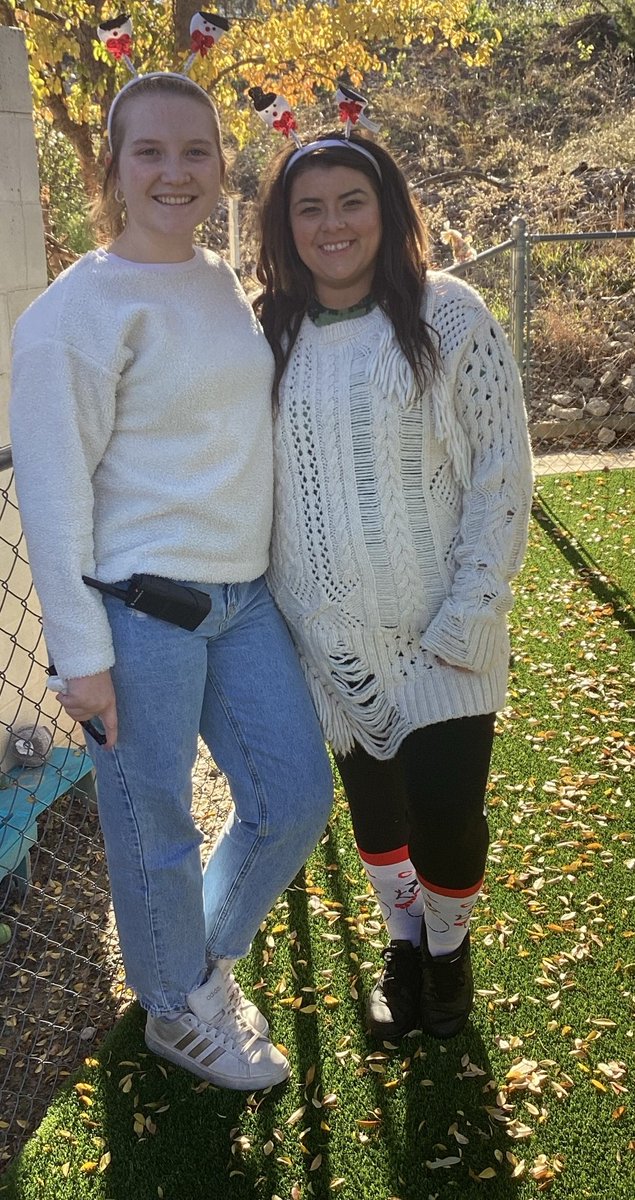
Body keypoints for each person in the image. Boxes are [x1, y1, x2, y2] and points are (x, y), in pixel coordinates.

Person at [9, 73, 333, 1090]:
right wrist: (81, 660)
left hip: (241, 600)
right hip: (138, 614)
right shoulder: (73, 315)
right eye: (149, 150)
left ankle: (191, 967)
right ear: (112, 166)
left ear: (219, 164)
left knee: (293, 797)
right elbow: (53, 497)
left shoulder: (216, 277)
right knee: (157, 833)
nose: (174, 171)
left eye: (195, 149)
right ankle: (175, 1011)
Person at [254, 131, 533, 1041]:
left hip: (444, 628)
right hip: (327, 636)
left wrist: (471, 608)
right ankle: (403, 944)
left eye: (351, 201)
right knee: (376, 817)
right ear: (285, 225)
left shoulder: (448, 313)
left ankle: (448, 956)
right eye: (309, 207)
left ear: (387, 210)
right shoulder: (265, 332)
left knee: (447, 814)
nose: (331, 224)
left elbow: (500, 470)